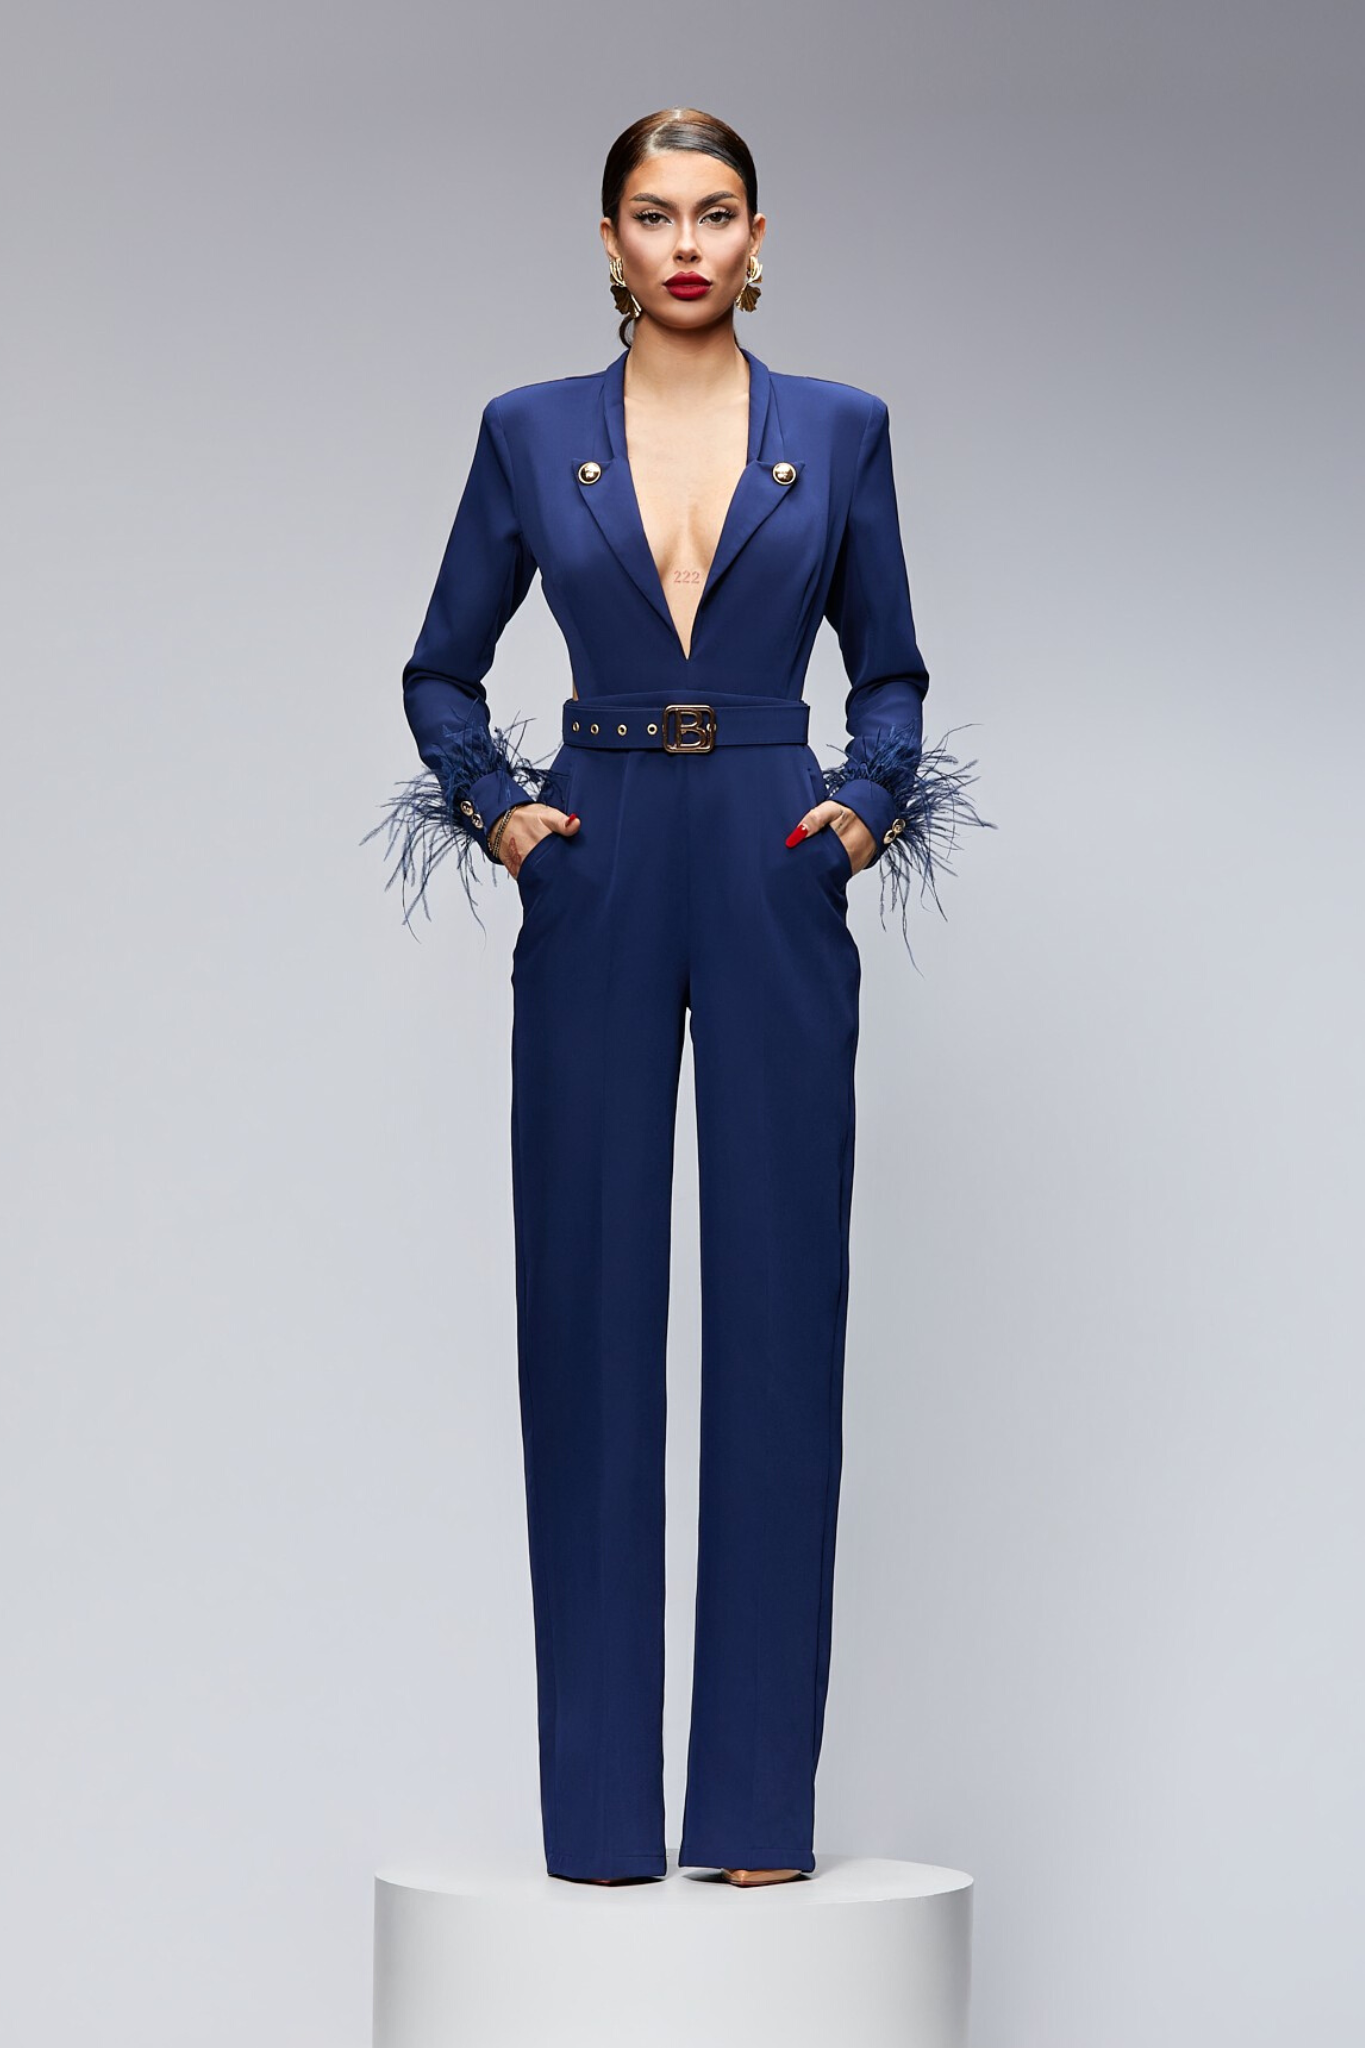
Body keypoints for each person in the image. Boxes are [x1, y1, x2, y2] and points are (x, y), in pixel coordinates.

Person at [365, 106, 989, 1889]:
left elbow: (892, 668)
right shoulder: (529, 431)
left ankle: (755, 1814)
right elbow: (440, 668)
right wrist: (506, 818)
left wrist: (860, 813)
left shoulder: (841, 430)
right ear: (612, 243)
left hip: (775, 842)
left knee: (783, 1304)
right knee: (584, 1307)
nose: (688, 244)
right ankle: (598, 1822)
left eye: (717, 214)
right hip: (603, 841)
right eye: (655, 215)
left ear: (760, 238)